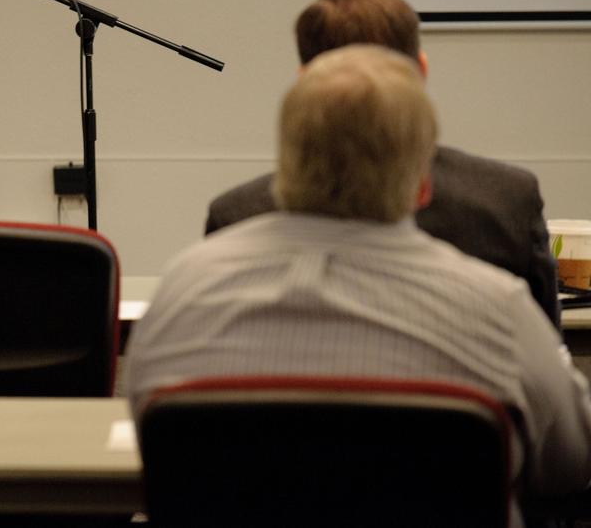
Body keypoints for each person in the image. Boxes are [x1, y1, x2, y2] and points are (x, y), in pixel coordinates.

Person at [127, 44, 591, 516]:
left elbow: (153, 447)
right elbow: (570, 465)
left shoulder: (183, 293)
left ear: (284, 163)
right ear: (424, 185)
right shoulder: (499, 312)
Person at [205, 0, 559, 325]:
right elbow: (547, 349)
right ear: (421, 70)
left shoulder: (236, 217)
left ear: (303, 80)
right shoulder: (505, 202)